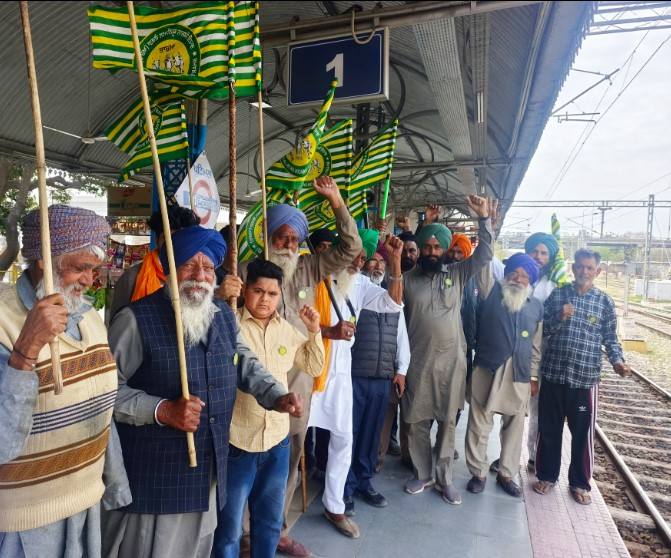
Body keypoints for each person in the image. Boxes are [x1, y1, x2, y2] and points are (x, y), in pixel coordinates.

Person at [103, 226, 304, 558]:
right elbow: (105, 394)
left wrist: (275, 395)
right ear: (169, 268)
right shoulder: (135, 320)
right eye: (188, 265)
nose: (200, 276)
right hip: (156, 482)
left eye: (208, 267)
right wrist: (161, 410)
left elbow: (244, 362)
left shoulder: (223, 315)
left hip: (209, 473)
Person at [235, 175, 362, 558]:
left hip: (299, 383)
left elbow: (352, 246)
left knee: (290, 457)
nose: (288, 245)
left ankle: (276, 531)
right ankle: (244, 536)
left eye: (294, 239)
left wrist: (337, 201)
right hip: (252, 384)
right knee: (246, 460)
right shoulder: (244, 271)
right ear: (268, 236)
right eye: (281, 237)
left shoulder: (309, 268)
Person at [0, 205, 131, 557]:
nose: (90, 280)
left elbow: (103, 408)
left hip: (84, 501)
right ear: (43, 259)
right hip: (24, 520)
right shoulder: (4, 319)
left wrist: (114, 482)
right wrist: (26, 349)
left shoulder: (89, 317)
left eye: (94, 269)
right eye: (80, 268)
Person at [213, 259, 325, 558]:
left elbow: (314, 366)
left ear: (280, 295)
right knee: (229, 530)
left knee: (270, 524)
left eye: (272, 294)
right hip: (238, 442)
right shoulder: (228, 324)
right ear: (245, 290)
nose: (264, 299)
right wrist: (219, 296)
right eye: (258, 290)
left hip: (277, 442)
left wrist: (314, 331)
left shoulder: (287, 330)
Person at [308, 230, 404, 539]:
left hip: (340, 373)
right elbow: (291, 322)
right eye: (355, 256)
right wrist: (327, 331)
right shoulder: (311, 275)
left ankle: (334, 504)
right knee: (292, 445)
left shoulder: (360, 284)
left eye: (363, 259)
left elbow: (392, 303)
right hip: (306, 370)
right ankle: (276, 518)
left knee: (343, 438)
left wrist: (396, 261)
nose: (359, 264)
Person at [402, 195, 494, 506]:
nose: (431, 252)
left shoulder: (456, 274)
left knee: (447, 421)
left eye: (437, 247)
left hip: (452, 363)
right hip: (417, 362)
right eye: (427, 247)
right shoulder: (405, 280)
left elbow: (483, 255)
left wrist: (483, 220)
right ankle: (423, 473)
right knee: (415, 420)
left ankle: (444, 479)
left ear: (444, 251)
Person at [533, 248, 631, 505]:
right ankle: (546, 475)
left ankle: (578, 482)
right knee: (549, 429)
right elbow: (542, 331)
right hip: (554, 373)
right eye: (580, 266)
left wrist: (617, 361)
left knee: (582, 433)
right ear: (573, 267)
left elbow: (610, 338)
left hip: (585, 378)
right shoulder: (559, 295)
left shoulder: (604, 302)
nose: (584, 272)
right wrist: (559, 316)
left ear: (597, 272)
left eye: (590, 268)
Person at [464, 253, 544, 498]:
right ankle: (477, 473)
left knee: (514, 427)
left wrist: (533, 377)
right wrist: (486, 222)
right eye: (514, 273)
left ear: (530, 280)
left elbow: (536, 346)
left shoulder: (536, 306)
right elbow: (485, 259)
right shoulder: (490, 292)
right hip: (488, 367)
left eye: (524, 276)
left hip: (519, 373)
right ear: (506, 274)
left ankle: (506, 474)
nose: (518, 279)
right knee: (479, 423)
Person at [344, 243, 410, 517]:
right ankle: (344, 487)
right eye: (371, 260)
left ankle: (364, 481)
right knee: (350, 433)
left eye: (382, 262)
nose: (376, 266)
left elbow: (401, 335)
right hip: (355, 375)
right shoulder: (355, 290)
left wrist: (402, 369)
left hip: (381, 377)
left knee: (372, 434)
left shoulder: (389, 295)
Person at [490, 230, 562, 474]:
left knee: (536, 412)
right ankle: (504, 459)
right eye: (535, 251)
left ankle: (533, 456)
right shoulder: (513, 277)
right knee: (510, 410)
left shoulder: (554, 285)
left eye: (544, 253)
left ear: (551, 257)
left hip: (541, 357)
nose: (539, 256)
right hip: (510, 355)